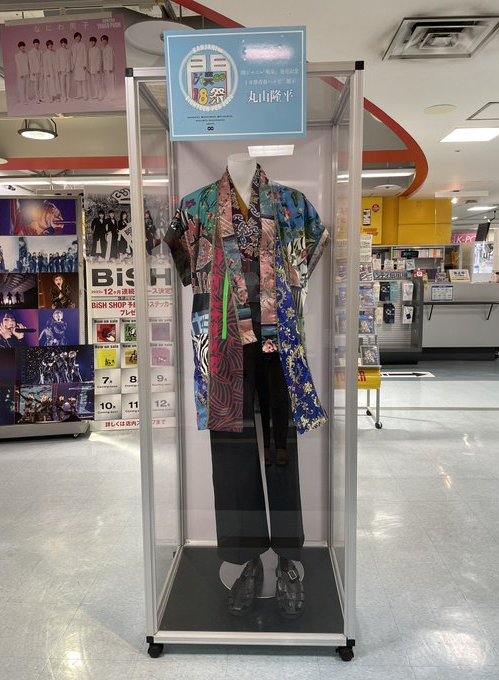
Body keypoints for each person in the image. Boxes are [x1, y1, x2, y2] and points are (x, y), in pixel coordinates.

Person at [165, 157, 329, 619]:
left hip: (279, 340)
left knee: (281, 446)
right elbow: (182, 260)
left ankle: (289, 558)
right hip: (222, 342)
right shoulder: (194, 206)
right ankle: (247, 559)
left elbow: (311, 251)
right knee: (231, 453)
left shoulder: (292, 203)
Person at [71, 32, 87, 100]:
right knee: (78, 81)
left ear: (80, 37)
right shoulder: (73, 46)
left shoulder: (83, 45)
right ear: (74, 38)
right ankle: (79, 94)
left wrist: (85, 64)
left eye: (79, 36)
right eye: (76, 37)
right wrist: (72, 66)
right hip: (76, 65)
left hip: (82, 65)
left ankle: (85, 95)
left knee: (83, 81)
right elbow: (72, 56)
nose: (77, 38)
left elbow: (85, 54)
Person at [57, 38, 72, 102]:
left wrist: (71, 68)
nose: (63, 44)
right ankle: (63, 96)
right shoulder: (58, 51)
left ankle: (68, 96)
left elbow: (71, 59)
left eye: (64, 43)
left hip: (68, 69)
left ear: (66, 43)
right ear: (61, 44)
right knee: (62, 84)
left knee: (68, 83)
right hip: (62, 70)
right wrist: (59, 69)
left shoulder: (69, 50)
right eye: (62, 43)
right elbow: (57, 61)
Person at [28, 38, 43, 102]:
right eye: (35, 44)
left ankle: (41, 97)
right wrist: (32, 72)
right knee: (36, 85)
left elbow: (42, 61)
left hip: (40, 70)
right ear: (33, 44)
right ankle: (37, 98)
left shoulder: (41, 51)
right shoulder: (30, 52)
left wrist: (42, 70)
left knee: (41, 85)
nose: (36, 45)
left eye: (37, 44)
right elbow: (30, 63)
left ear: (39, 44)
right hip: (34, 71)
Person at [100, 34, 115, 99]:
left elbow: (112, 58)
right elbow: (101, 59)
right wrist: (101, 67)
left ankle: (112, 95)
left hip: (109, 67)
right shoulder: (101, 49)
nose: (103, 41)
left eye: (104, 40)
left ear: (107, 40)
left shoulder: (110, 48)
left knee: (111, 82)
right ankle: (108, 94)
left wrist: (111, 67)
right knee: (106, 82)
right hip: (104, 67)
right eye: (102, 40)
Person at [15, 41, 29, 105]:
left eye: (23, 46)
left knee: (27, 86)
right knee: (21, 87)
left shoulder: (26, 54)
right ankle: (22, 100)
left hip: (27, 73)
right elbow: (18, 65)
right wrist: (21, 74)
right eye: (21, 46)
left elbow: (28, 64)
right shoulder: (17, 55)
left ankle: (27, 98)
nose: (22, 47)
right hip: (21, 74)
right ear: (19, 47)